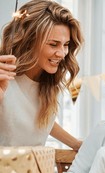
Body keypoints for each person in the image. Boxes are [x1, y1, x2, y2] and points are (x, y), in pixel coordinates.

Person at [0, 0, 84, 150]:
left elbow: (41, 120)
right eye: (53, 44)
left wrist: (75, 143)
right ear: (29, 41)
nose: (62, 54)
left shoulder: (48, 81)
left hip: (36, 171)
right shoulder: (4, 76)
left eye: (66, 45)